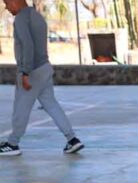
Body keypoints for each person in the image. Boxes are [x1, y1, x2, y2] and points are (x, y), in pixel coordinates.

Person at [0, 0, 84, 157]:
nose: (6, 7)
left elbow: (28, 45)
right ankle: (72, 139)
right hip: (45, 68)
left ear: (15, 1)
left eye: (7, 3)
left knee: (20, 108)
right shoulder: (38, 16)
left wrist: (25, 72)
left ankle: (12, 144)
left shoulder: (20, 18)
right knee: (52, 105)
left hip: (32, 72)